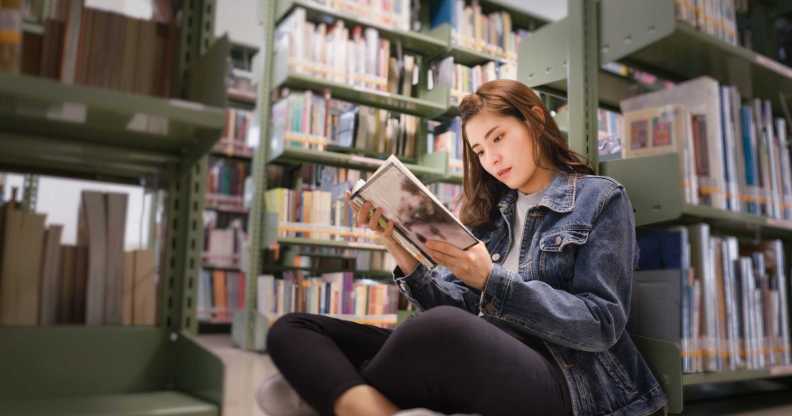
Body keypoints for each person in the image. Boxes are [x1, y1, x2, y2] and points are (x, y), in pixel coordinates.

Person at [261, 79, 668, 416]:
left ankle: (335, 394)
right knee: (293, 328)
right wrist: (400, 249)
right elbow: (454, 311)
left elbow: (601, 324)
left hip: (566, 382)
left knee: (438, 331)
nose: (491, 159)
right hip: (479, 360)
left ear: (535, 120)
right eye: (478, 150)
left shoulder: (599, 200)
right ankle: (370, 408)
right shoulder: (491, 216)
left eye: (498, 138)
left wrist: (492, 280)